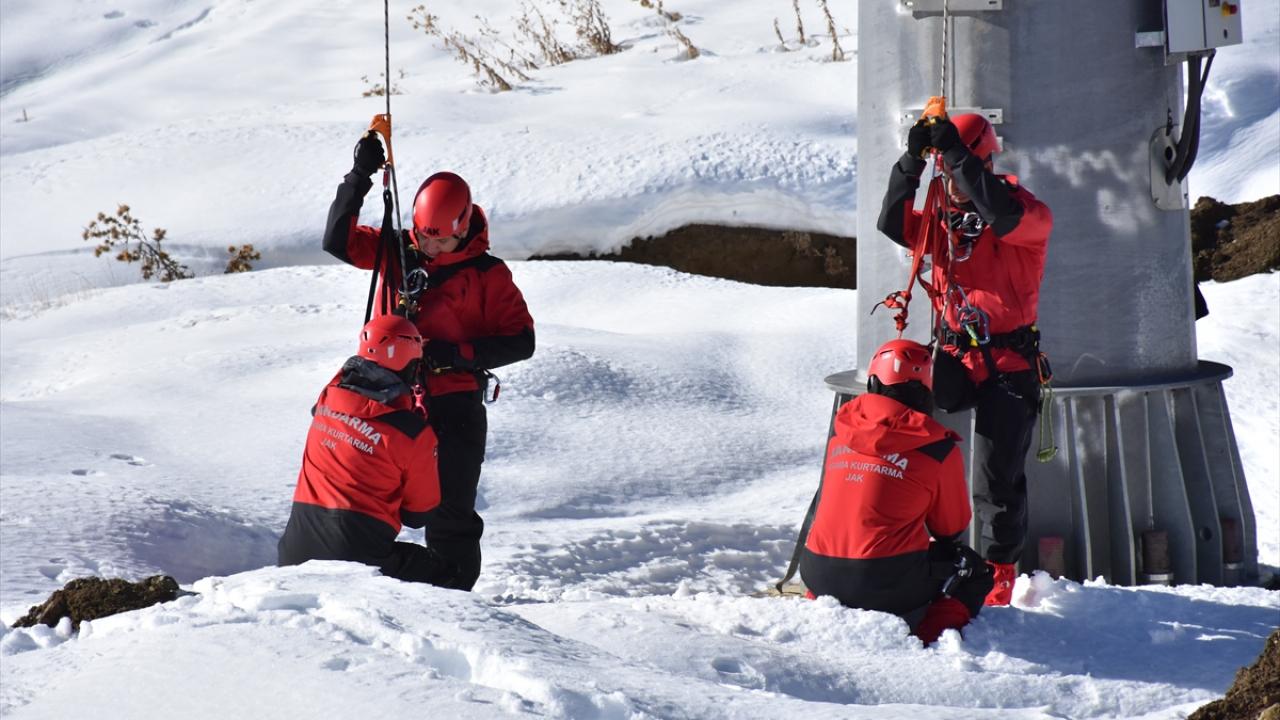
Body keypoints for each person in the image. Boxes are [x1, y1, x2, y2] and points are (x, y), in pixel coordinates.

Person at [323, 133, 535, 591]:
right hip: (388, 400)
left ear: (464, 229)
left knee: (449, 514)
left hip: (453, 406)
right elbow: (337, 240)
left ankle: (452, 598)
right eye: (422, 236)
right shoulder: (398, 251)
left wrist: (458, 355)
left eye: (440, 241)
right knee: (367, 498)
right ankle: (364, 585)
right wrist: (359, 177)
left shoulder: (488, 275)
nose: (429, 248)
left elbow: (521, 341)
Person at [876, 113, 1053, 606]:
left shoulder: (1027, 213)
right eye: (946, 170)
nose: (951, 181)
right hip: (953, 357)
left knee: (997, 477)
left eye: (958, 169)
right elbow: (892, 222)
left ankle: (998, 574)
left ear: (982, 163)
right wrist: (911, 163)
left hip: (1008, 365)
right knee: (899, 442)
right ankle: (894, 550)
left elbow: (1003, 215)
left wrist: (957, 157)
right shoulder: (942, 219)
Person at [800, 339, 994, 644]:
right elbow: (950, 529)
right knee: (973, 573)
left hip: (816, 570)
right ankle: (925, 637)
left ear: (873, 382)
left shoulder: (842, 429)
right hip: (882, 581)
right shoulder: (937, 448)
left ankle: (823, 604)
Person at [278, 315, 457, 587]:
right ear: (411, 365)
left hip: (294, 555)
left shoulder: (327, 399)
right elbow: (418, 515)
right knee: (443, 574)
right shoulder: (412, 433)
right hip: (357, 562)